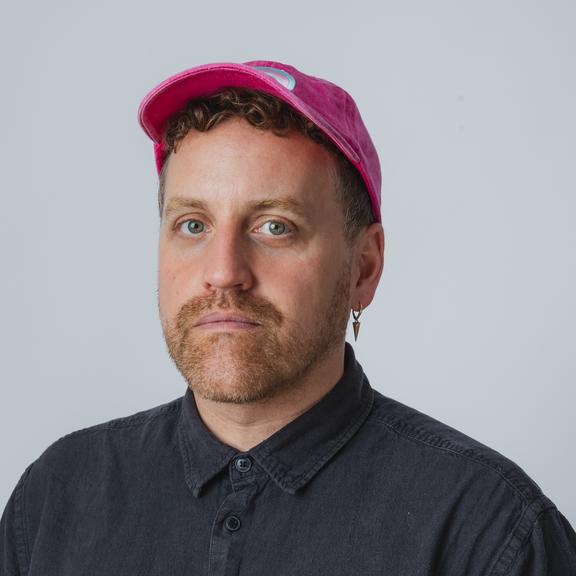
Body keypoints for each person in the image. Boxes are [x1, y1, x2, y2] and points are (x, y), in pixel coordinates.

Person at [1, 60, 575, 575]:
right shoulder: (56, 499)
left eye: (275, 226)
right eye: (193, 225)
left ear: (364, 268)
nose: (223, 272)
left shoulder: (489, 533)